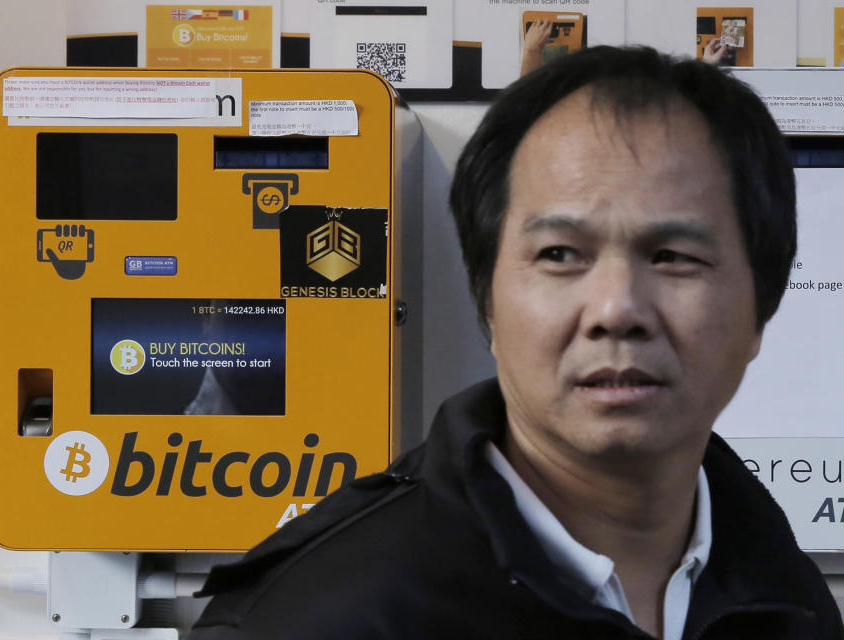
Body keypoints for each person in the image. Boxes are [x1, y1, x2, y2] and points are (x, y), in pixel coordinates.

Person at [188, 46, 844, 640]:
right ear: (488, 304)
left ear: (761, 308)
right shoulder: (316, 619)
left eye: (672, 256)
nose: (616, 309)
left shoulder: (789, 601)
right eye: (560, 254)